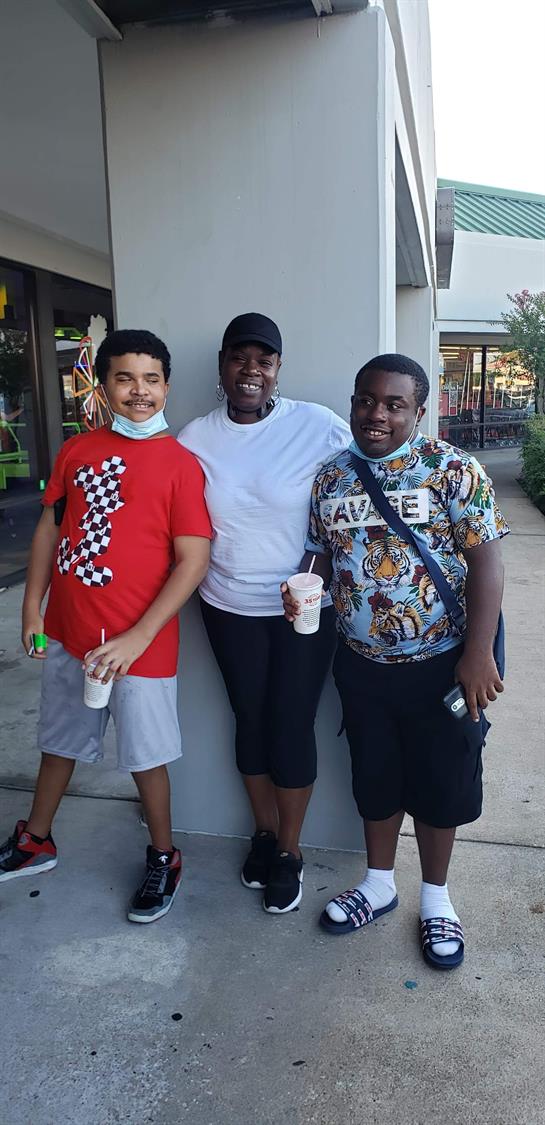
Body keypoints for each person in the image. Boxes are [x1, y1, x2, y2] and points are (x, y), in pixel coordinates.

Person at [282, 353, 508, 968]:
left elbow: (487, 562)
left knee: (444, 781)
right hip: (361, 664)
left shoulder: (452, 469)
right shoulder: (330, 477)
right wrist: (303, 586)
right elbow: (320, 554)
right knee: (375, 776)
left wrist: (478, 654)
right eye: (365, 400)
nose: (376, 414)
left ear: (418, 409)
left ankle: (436, 900)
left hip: (443, 662)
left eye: (393, 404)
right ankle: (379, 885)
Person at [0, 329, 212, 924]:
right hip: (70, 630)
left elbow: (193, 559)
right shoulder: (76, 451)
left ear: (166, 385)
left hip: (139, 644)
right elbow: (50, 527)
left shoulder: (180, 465)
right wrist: (31, 608)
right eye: (124, 377)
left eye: (150, 379)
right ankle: (36, 839)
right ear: (103, 384)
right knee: (58, 739)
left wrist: (138, 637)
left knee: (146, 756)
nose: (138, 391)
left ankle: (164, 855)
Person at [178, 313, 351, 914]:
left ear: (278, 370)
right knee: (248, 718)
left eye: (265, 360)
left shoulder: (317, 426)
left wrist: (316, 571)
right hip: (227, 603)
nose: (252, 369)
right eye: (240, 358)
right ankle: (263, 832)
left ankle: (291, 851)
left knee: (291, 722)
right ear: (222, 366)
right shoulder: (195, 438)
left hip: (304, 606)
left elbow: (353, 496)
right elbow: (175, 518)